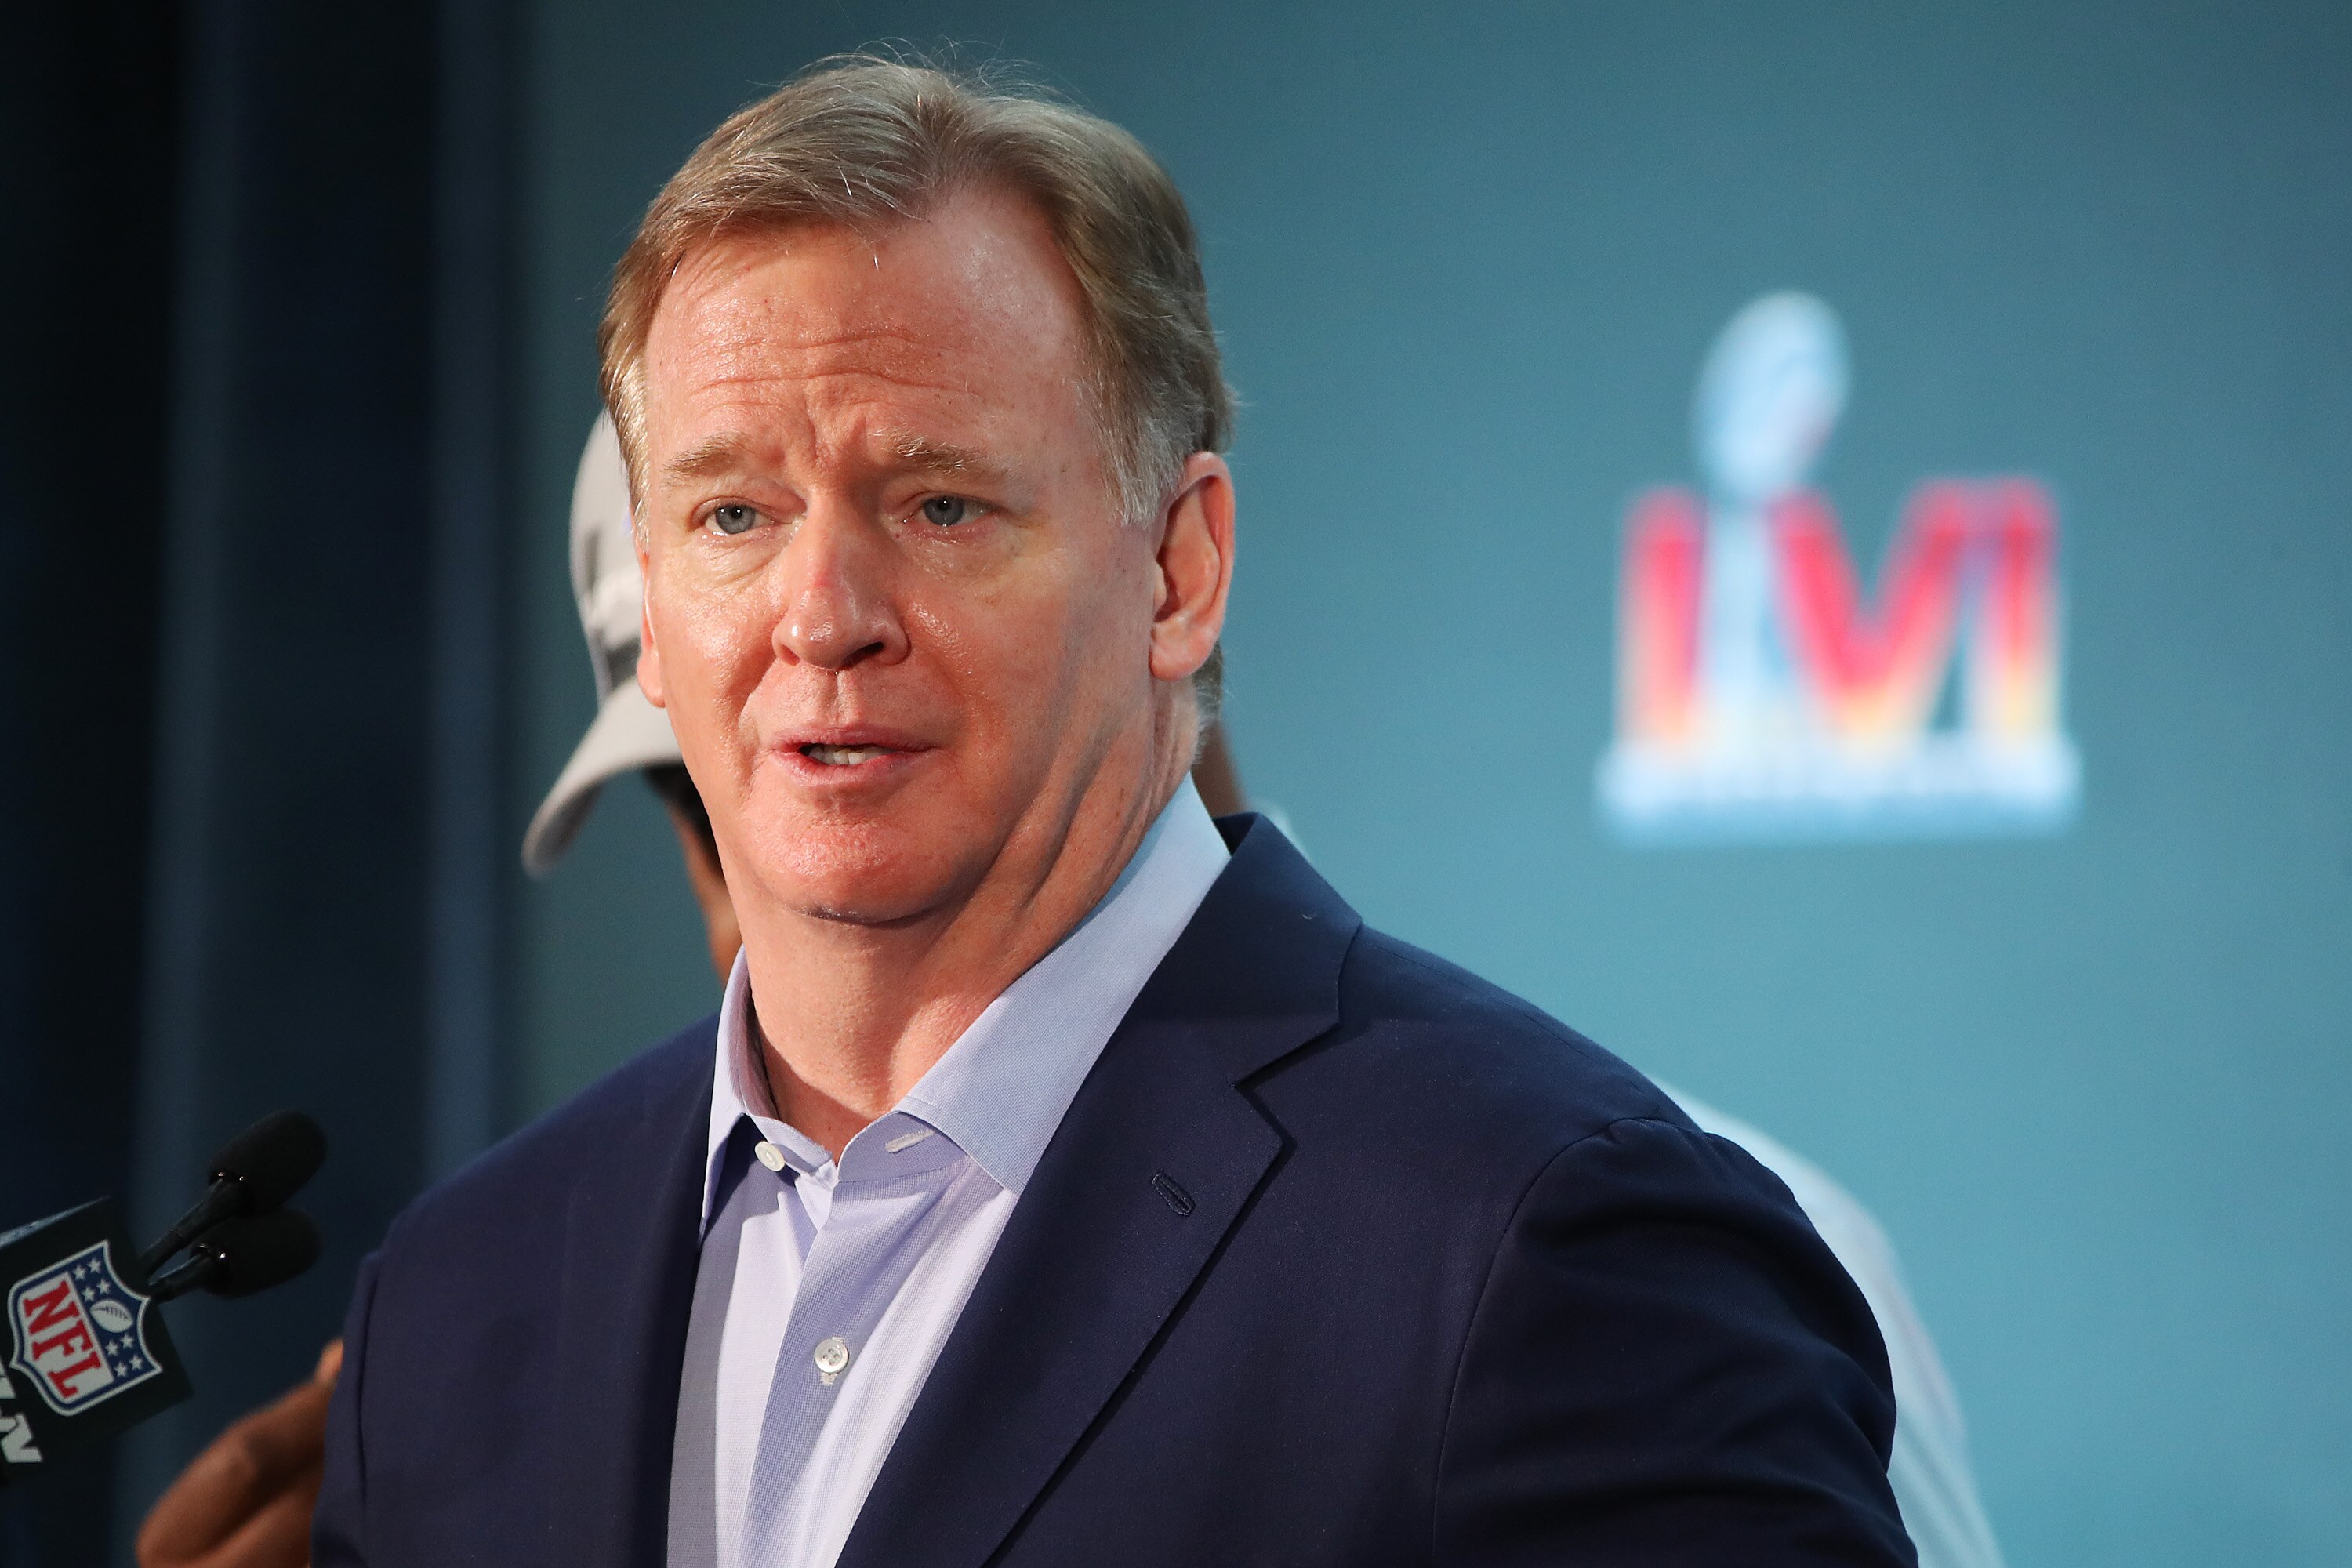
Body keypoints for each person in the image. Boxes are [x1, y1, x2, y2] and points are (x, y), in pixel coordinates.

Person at [303, 57, 1909, 1566]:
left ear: (1179, 570)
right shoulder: (454, 1306)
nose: (824, 615)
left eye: (941, 504)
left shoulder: (1551, 1241)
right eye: (735, 514)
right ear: (651, 610)